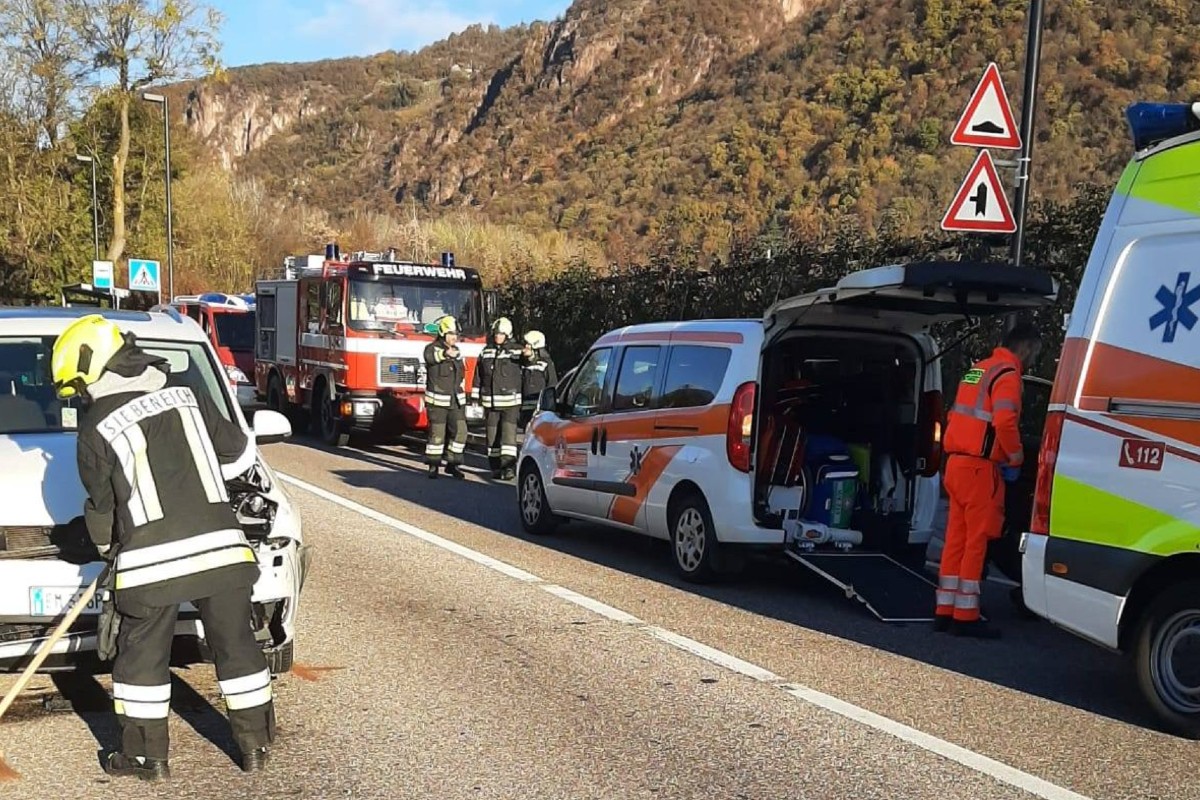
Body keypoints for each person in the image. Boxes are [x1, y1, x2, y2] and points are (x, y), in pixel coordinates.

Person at [50, 314, 275, 782]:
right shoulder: (188, 396)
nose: (81, 398)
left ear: (91, 367)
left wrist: (104, 547)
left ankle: (146, 758)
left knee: (141, 658)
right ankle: (255, 745)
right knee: (236, 646)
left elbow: (102, 509)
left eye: (78, 387)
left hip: (150, 562)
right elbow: (235, 453)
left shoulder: (95, 428)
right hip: (222, 550)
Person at [935, 322, 1043, 638]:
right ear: (1025, 348)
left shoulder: (977, 370)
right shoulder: (1008, 375)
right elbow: (1005, 421)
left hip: (956, 464)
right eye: (1034, 354)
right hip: (982, 469)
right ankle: (966, 616)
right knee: (977, 541)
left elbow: (957, 414)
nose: (1032, 361)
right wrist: (1016, 456)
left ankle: (945, 609)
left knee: (955, 539)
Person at [472, 317, 523, 479]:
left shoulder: (516, 351)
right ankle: (495, 467)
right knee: (492, 437)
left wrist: (530, 355)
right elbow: (478, 375)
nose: (497, 337)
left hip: (510, 403)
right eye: (496, 334)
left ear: (508, 335)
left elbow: (528, 361)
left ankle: (508, 468)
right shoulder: (486, 351)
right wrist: (475, 396)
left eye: (501, 334)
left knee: (508, 438)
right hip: (490, 402)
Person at [423, 314, 467, 479]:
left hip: (455, 401)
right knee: (437, 435)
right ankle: (433, 466)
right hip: (438, 402)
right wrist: (446, 354)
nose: (453, 337)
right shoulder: (432, 348)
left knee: (461, 432)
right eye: (450, 334)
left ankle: (452, 464)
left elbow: (461, 374)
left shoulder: (458, 352)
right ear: (443, 334)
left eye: (455, 334)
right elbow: (432, 357)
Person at [519, 330, 557, 429]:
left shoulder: (546, 364)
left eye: (527, 344)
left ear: (535, 347)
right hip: (525, 409)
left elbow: (552, 385)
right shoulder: (522, 364)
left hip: (539, 410)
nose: (525, 347)